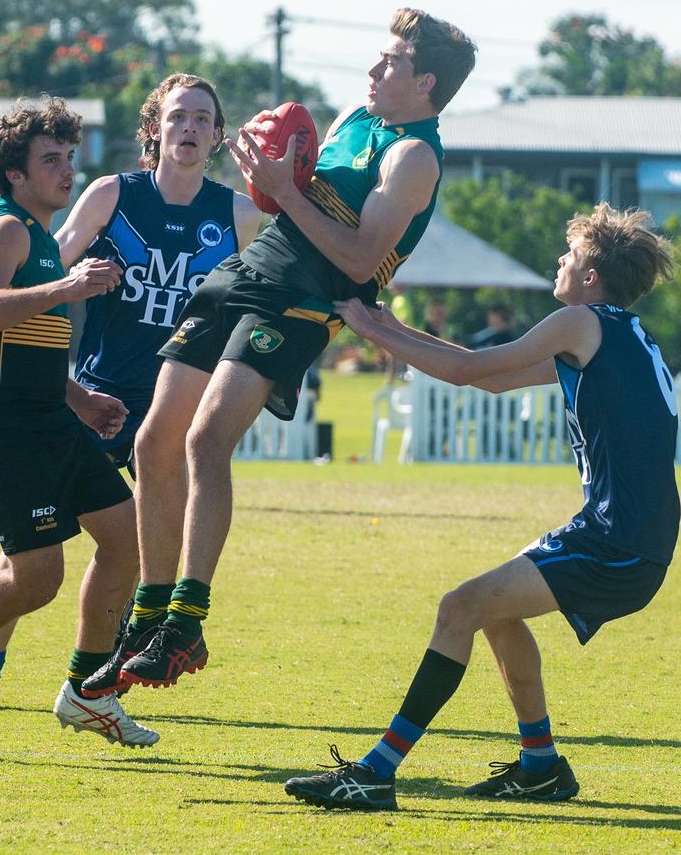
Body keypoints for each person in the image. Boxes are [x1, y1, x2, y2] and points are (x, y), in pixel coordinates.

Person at [79, 8, 476, 698]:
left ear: (427, 82)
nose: (374, 70)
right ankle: (149, 615)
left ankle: (185, 621)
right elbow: (290, 187)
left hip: (303, 298)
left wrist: (286, 191)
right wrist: (271, 171)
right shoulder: (357, 114)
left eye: (391, 63)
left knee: (206, 441)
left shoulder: (415, 157)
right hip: (251, 268)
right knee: (154, 444)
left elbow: (358, 256)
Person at [284, 203, 678, 810]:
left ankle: (375, 772)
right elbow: (492, 378)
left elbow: (467, 370)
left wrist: (369, 328)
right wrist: (387, 325)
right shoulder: (617, 333)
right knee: (493, 611)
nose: (559, 260)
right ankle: (541, 765)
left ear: (592, 277)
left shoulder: (579, 322)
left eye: (569, 254)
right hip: (624, 536)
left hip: (617, 541)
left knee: (459, 607)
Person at [0, 74, 261, 712]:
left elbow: (255, 299)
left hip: (176, 401)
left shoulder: (238, 214)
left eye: (204, 119)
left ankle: (103, 673)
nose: (191, 129)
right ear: (154, 129)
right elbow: (47, 262)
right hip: (100, 391)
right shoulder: (113, 194)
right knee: (33, 534)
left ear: (219, 136)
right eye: (178, 117)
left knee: (139, 538)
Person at [0, 97, 164, 745]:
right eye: (51, 159)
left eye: (69, 157)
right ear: (15, 174)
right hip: (1, 426)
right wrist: (66, 288)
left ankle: (86, 691)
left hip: (50, 417)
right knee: (37, 579)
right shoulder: (7, 230)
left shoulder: (42, 237)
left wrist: (78, 397)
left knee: (126, 535)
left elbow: (33, 339)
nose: (67, 170)